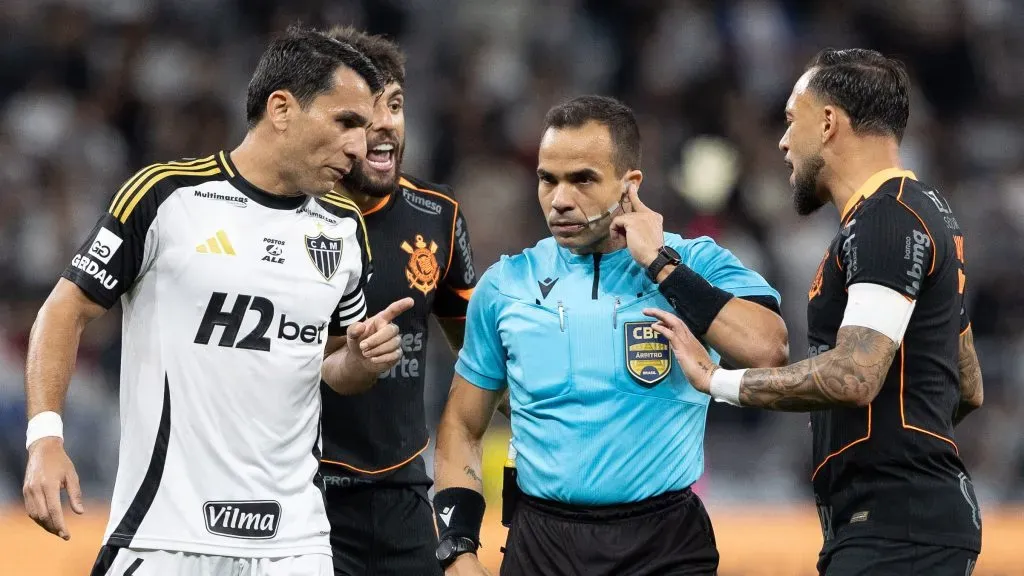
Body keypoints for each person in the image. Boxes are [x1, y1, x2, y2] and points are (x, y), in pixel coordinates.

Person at [22, 26, 414, 576]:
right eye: (346, 121)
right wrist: (44, 438)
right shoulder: (165, 196)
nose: (358, 145)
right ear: (281, 109)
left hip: (293, 541)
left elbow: (332, 363)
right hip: (163, 533)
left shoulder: (343, 226)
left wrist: (361, 360)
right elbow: (63, 311)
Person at [649, 49, 983, 576]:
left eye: (789, 120)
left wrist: (717, 380)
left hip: (895, 530)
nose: (782, 143)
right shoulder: (923, 213)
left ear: (828, 122)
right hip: (907, 523)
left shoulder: (885, 220)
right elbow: (966, 384)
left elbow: (853, 375)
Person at [432, 95, 790, 576]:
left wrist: (662, 266)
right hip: (542, 546)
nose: (560, 199)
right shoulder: (506, 285)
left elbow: (769, 350)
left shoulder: (696, 262)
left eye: (582, 179)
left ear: (629, 185)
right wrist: (458, 552)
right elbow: (461, 426)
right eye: (547, 179)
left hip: (664, 543)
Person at [317, 27, 484, 576]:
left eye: (394, 104)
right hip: (303, 500)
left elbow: (478, 355)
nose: (385, 123)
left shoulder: (439, 216)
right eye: (365, 109)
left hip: (405, 499)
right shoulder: (282, 218)